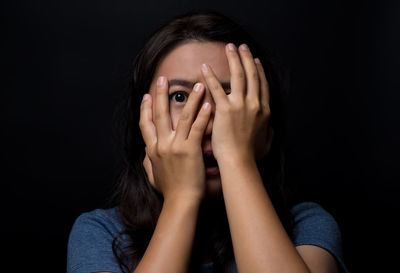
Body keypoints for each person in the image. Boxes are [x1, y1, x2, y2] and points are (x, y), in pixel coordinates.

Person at [67, 11, 349, 273]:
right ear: (145, 120)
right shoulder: (101, 232)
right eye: (179, 96)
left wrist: (237, 160)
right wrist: (182, 197)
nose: (208, 120)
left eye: (229, 95)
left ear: (263, 119)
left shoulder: (306, 226)